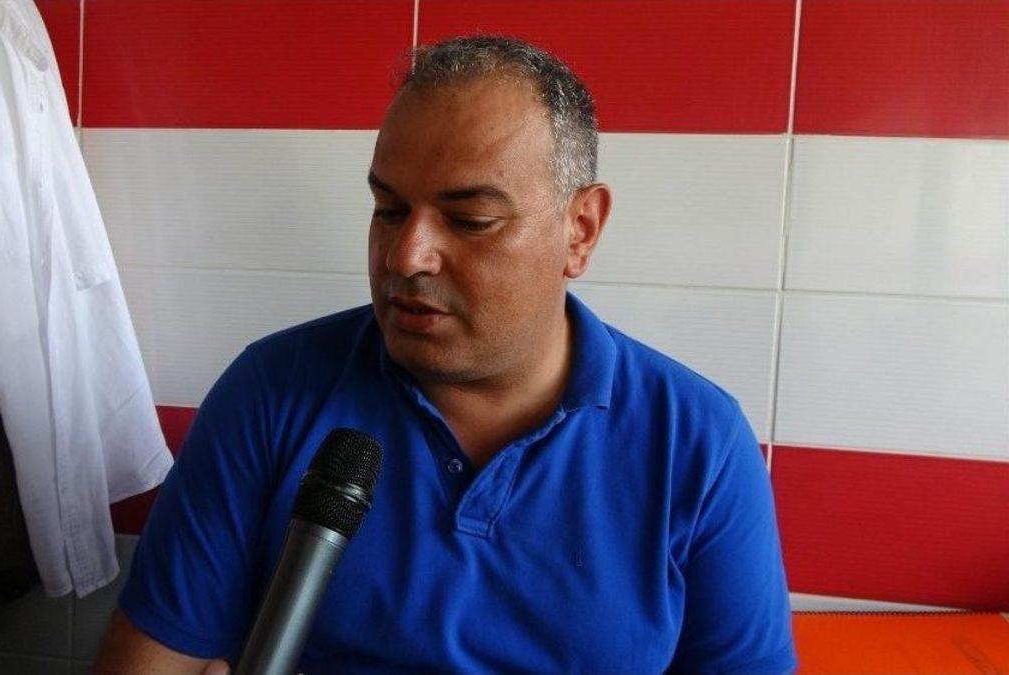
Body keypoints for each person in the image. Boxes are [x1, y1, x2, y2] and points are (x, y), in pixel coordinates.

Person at [94, 36, 797, 674]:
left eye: (470, 221)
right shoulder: (272, 393)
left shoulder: (697, 444)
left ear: (580, 230)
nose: (406, 256)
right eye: (389, 210)